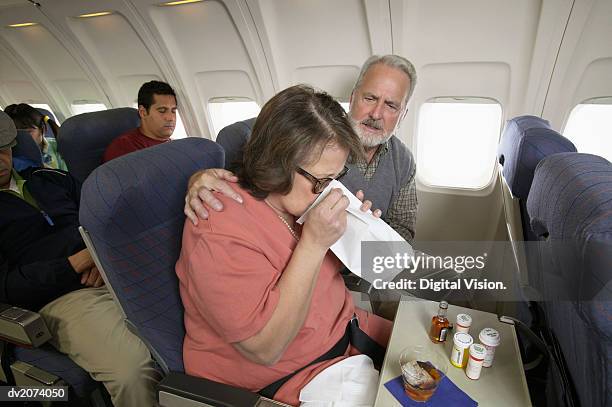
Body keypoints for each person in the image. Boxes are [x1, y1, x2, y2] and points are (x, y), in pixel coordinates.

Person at [176, 85, 392, 406]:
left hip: (346, 331)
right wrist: (315, 243)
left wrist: (355, 235)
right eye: (322, 180)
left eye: (336, 177)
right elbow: (265, 349)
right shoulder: (218, 226)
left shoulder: (299, 198)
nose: (329, 191)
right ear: (277, 164)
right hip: (292, 375)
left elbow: (357, 271)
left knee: (434, 355)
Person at [0, 111, 159, 406]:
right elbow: (8, 287)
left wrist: (98, 257)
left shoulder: (50, 179)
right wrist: (76, 264)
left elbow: (107, 218)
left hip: (115, 270)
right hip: (61, 298)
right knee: (132, 372)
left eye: (2, 148)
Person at [184, 54, 418, 242]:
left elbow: (403, 230)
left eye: (390, 105)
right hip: (307, 252)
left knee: (446, 277)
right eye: (370, 98)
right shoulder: (312, 131)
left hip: (363, 263)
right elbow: (252, 177)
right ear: (353, 96)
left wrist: (364, 237)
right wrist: (200, 177)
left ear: (403, 114)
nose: (376, 114)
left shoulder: (404, 160)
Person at [102, 80, 177, 162]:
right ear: (143, 112)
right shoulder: (123, 148)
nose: (171, 118)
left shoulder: (176, 144)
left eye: (173, 111)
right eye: (162, 111)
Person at [4, 103, 67, 171]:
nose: (21, 138)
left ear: (42, 129)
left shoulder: (58, 147)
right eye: (15, 133)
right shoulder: (7, 154)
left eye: (28, 132)